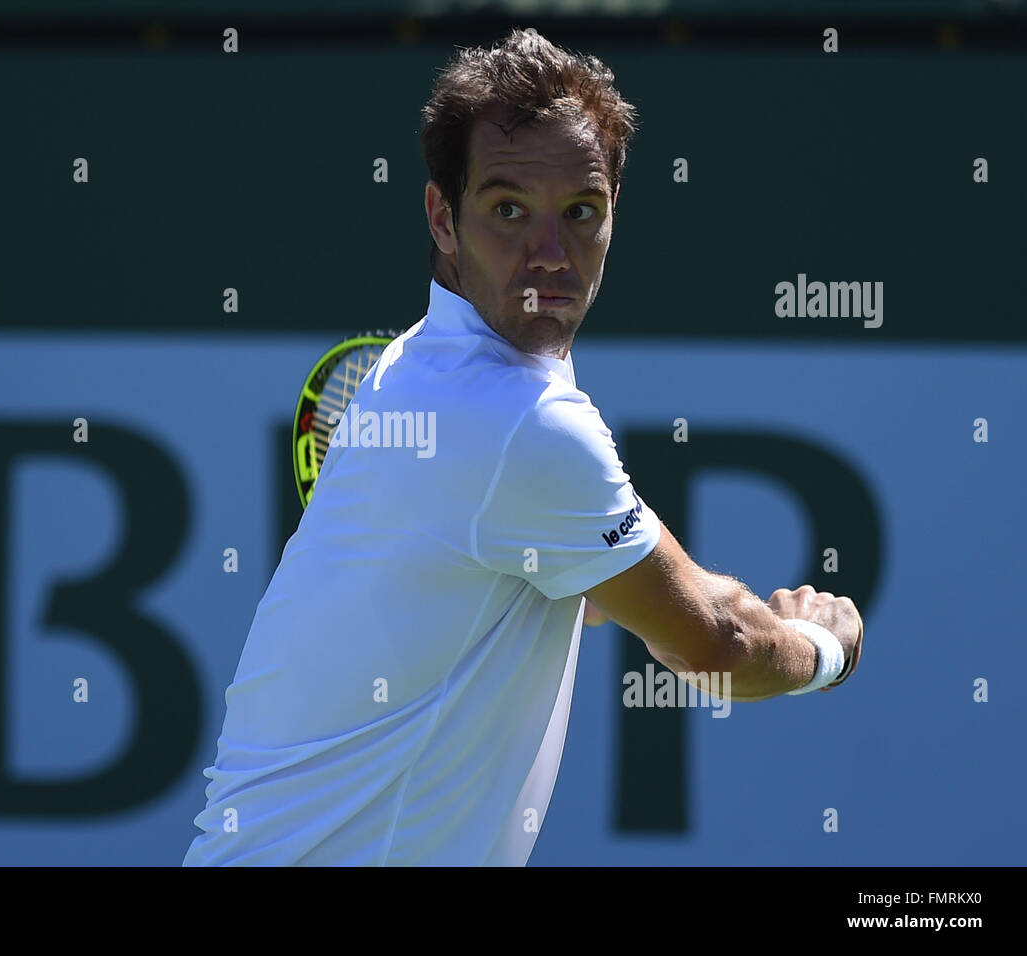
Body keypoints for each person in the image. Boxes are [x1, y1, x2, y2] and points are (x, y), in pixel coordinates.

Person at [183, 28, 863, 867]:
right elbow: (712, 648)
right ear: (443, 217)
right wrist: (822, 648)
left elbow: (601, 587)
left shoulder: (425, 369)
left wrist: (714, 604)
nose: (549, 255)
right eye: (508, 210)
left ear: (614, 214)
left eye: (580, 213)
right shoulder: (518, 421)